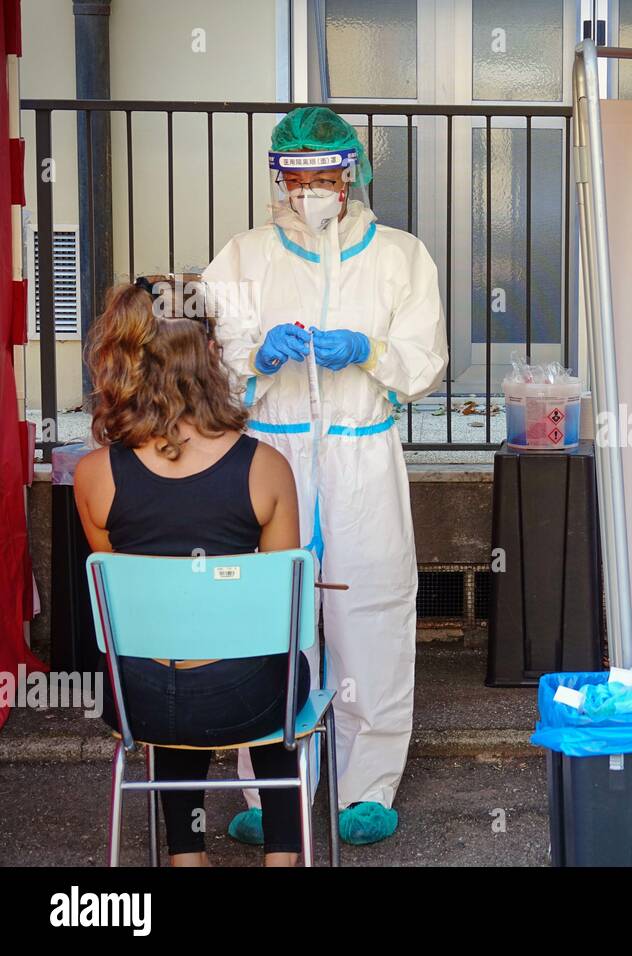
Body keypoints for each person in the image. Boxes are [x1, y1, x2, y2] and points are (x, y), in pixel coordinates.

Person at [203, 106, 448, 846]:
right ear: (278, 176)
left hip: (360, 455)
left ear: (352, 174)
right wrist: (256, 357)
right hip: (267, 456)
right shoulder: (243, 255)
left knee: (368, 614)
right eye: (297, 173)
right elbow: (210, 355)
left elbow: (425, 359)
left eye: (324, 172)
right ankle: (267, 786)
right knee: (265, 620)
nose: (310, 187)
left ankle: (366, 786)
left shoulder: (402, 255)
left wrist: (367, 350)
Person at [74, 281, 308, 867]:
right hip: (249, 702)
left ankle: (186, 855)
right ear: (209, 358)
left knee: (166, 655)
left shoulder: (94, 475)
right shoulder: (266, 468)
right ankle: (283, 856)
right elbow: (285, 609)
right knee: (279, 656)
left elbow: (131, 601)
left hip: (140, 703)